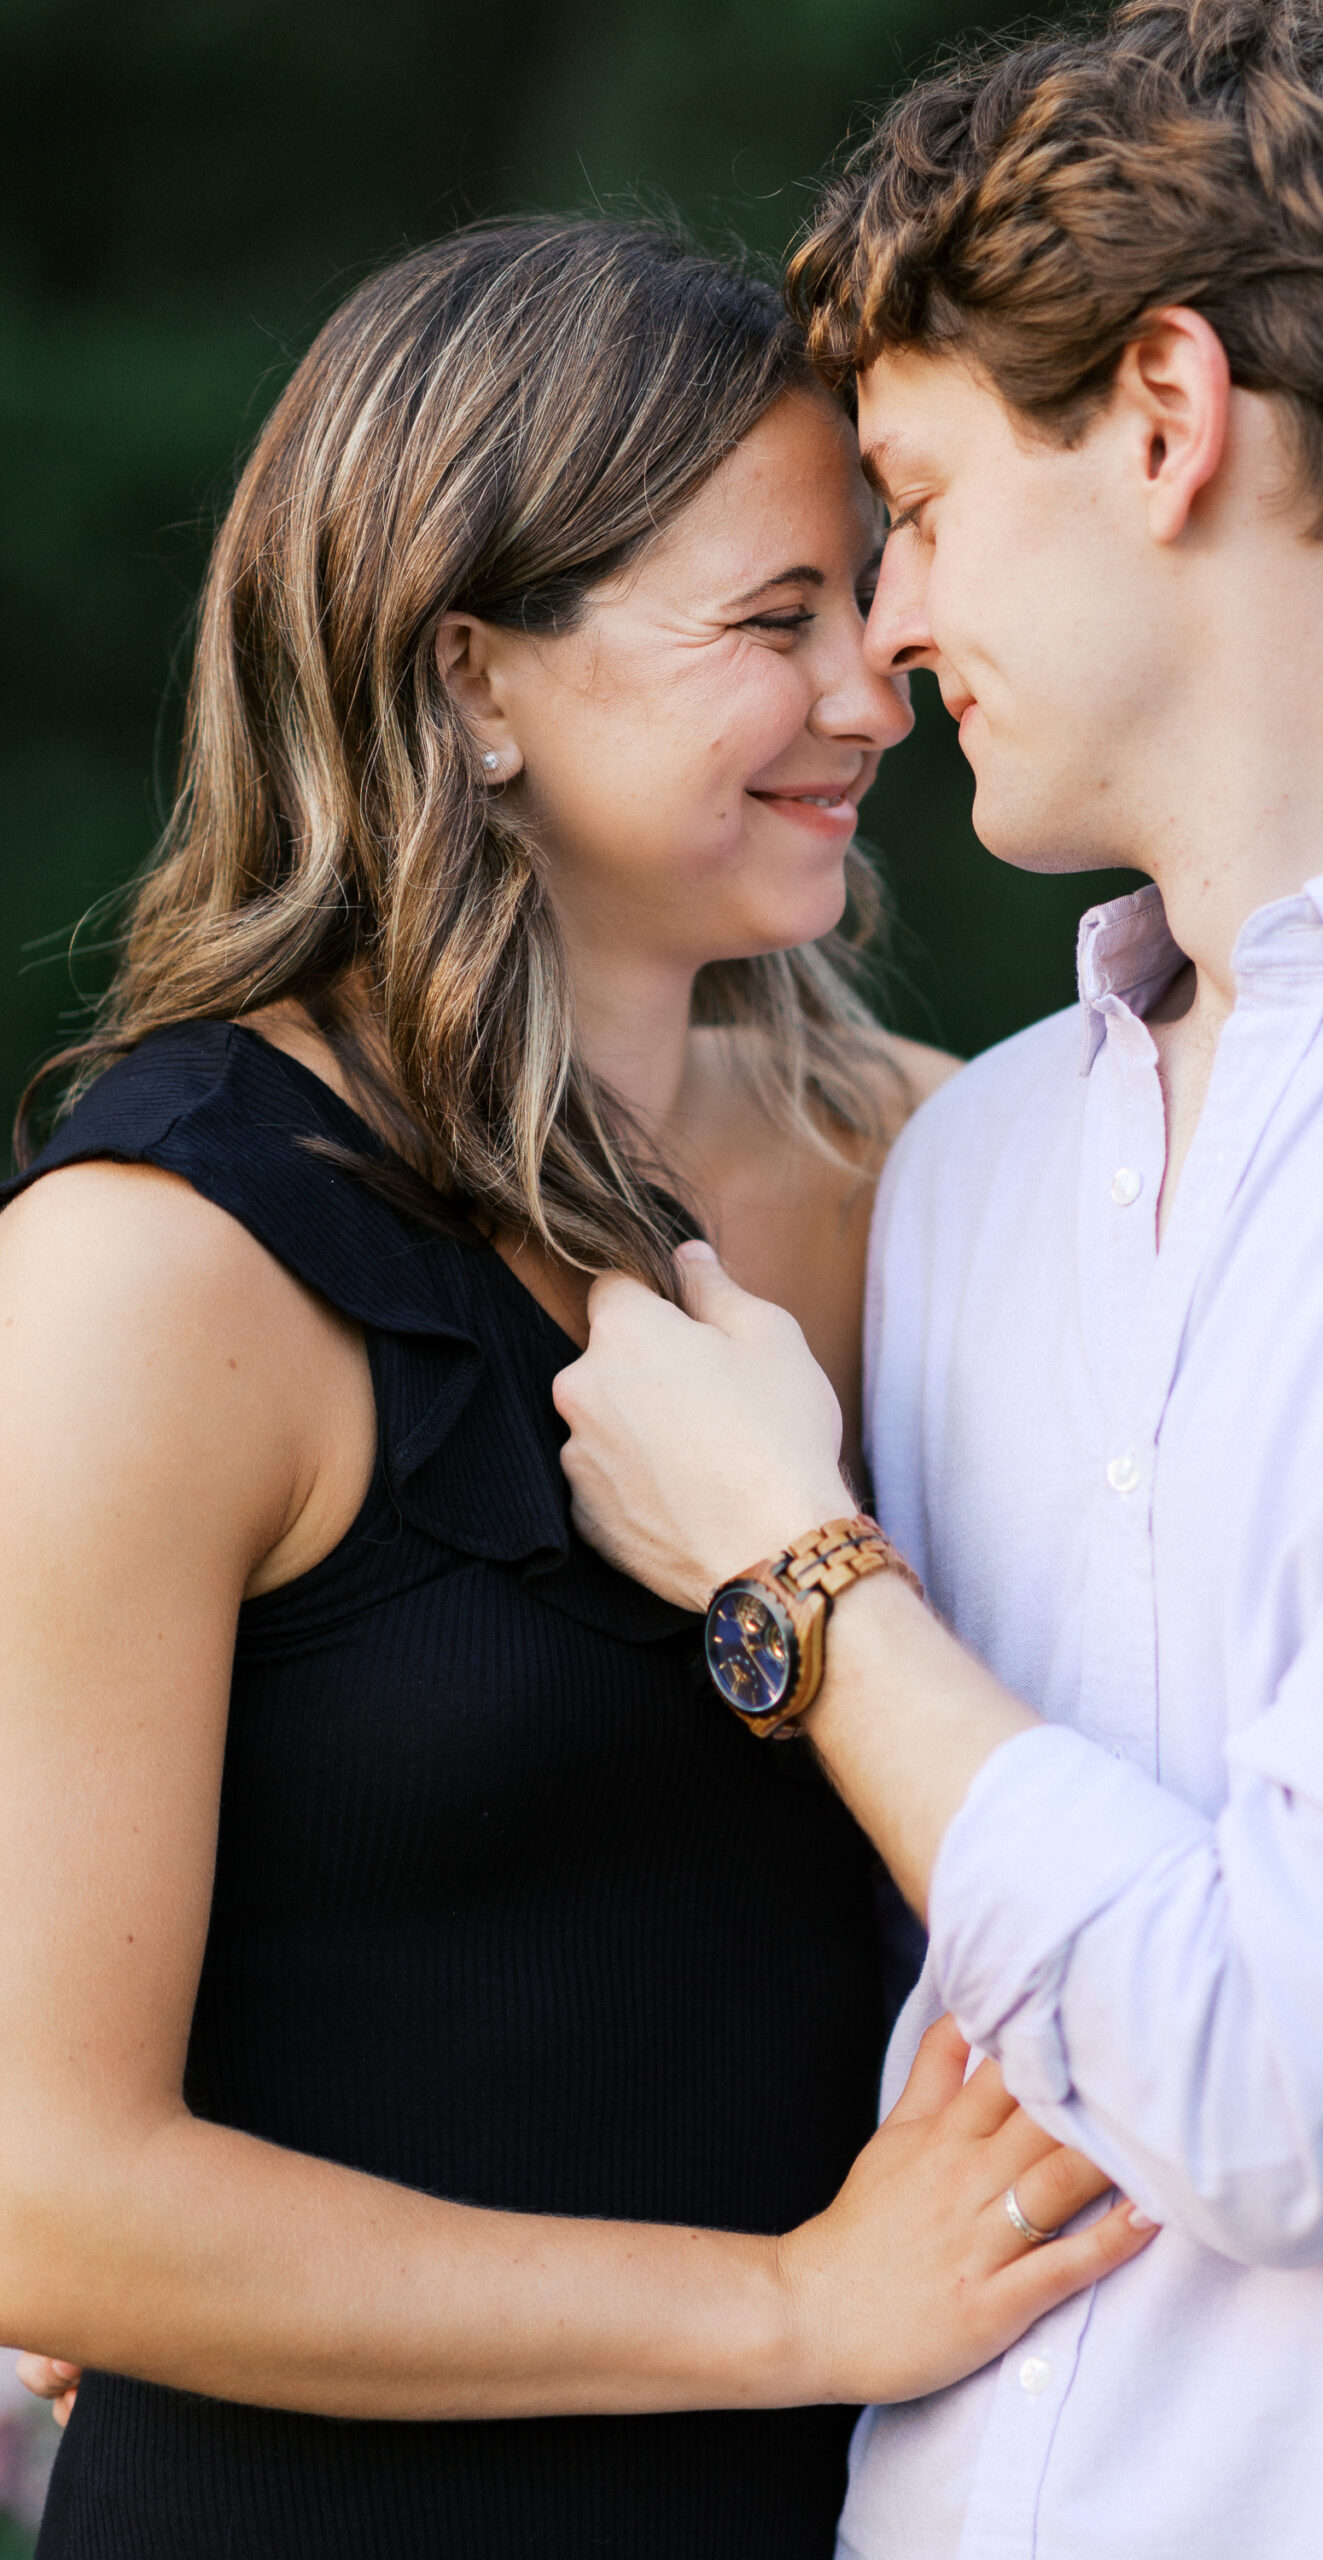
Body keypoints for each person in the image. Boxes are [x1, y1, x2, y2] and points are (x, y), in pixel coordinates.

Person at [547, 8, 1323, 2557]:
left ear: (1165, 413)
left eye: (926, 501)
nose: (891, 630)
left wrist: (803, 1574)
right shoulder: (954, 1167)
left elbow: (1281, 2083)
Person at [0, 217, 1156, 2560]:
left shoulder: (931, 1163)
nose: (872, 686)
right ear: (472, 679)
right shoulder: (161, 1271)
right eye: (773, 621)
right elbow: (45, 2191)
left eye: (869, 588)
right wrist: (795, 2304)